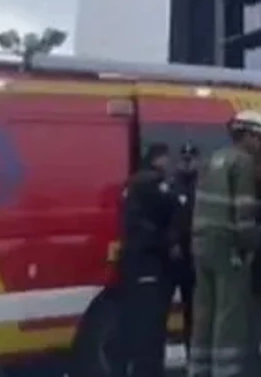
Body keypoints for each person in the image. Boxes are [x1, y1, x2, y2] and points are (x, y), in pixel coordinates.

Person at [187, 110, 261, 377]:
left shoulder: (211, 159)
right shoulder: (243, 162)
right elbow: (243, 213)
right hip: (228, 246)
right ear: (248, 135)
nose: (260, 146)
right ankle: (227, 371)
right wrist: (252, 243)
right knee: (229, 312)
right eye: (259, 139)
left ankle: (199, 369)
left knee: (204, 310)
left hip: (201, 243)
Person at [114, 143, 179, 377]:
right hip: (149, 261)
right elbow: (172, 205)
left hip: (133, 262)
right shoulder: (152, 183)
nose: (169, 163)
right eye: (166, 158)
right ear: (157, 159)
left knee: (134, 323)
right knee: (151, 326)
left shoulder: (132, 183)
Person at [168, 145, 200, 345]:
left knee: (193, 305)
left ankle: (192, 347)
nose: (188, 162)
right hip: (175, 253)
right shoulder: (172, 185)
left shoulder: (202, 185)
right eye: (184, 157)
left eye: (191, 158)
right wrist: (172, 242)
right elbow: (167, 218)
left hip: (195, 251)